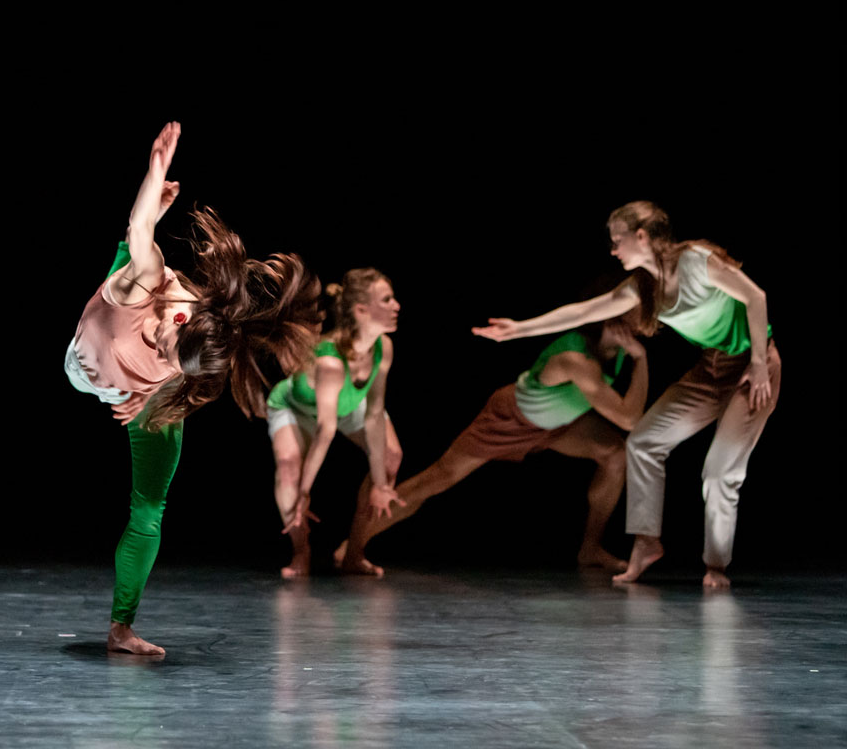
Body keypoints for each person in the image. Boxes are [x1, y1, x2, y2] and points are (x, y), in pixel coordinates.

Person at [65, 122, 320, 653]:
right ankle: (148, 217)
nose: (161, 356)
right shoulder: (152, 284)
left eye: (172, 364)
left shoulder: (204, 350)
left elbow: (190, 378)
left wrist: (155, 394)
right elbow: (140, 235)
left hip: (138, 396)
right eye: (166, 348)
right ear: (178, 321)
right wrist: (154, 171)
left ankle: (121, 627)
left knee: (149, 509)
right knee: (136, 250)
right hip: (88, 361)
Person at [474, 201, 779, 588]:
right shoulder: (642, 287)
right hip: (710, 370)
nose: (614, 250)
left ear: (642, 236)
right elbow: (583, 312)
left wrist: (756, 360)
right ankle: (646, 542)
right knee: (644, 441)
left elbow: (756, 297)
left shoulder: (697, 261)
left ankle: (715, 566)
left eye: (618, 240)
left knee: (718, 471)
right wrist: (519, 329)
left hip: (755, 368)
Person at [342, 317, 648, 575]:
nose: (644, 318)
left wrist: (634, 355)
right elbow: (629, 417)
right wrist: (641, 359)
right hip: (509, 419)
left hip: (558, 425)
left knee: (615, 453)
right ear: (612, 317)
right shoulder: (576, 357)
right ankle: (353, 545)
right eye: (636, 311)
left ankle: (590, 548)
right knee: (437, 479)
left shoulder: (617, 349)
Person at [267, 268, 405, 578]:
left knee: (391, 458)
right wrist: (304, 492)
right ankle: (301, 552)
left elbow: (373, 412)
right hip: (298, 407)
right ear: (361, 310)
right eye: (387, 299)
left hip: (348, 405)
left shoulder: (384, 348)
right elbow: (325, 430)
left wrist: (382, 483)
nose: (397, 305)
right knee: (290, 468)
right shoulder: (330, 361)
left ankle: (353, 554)